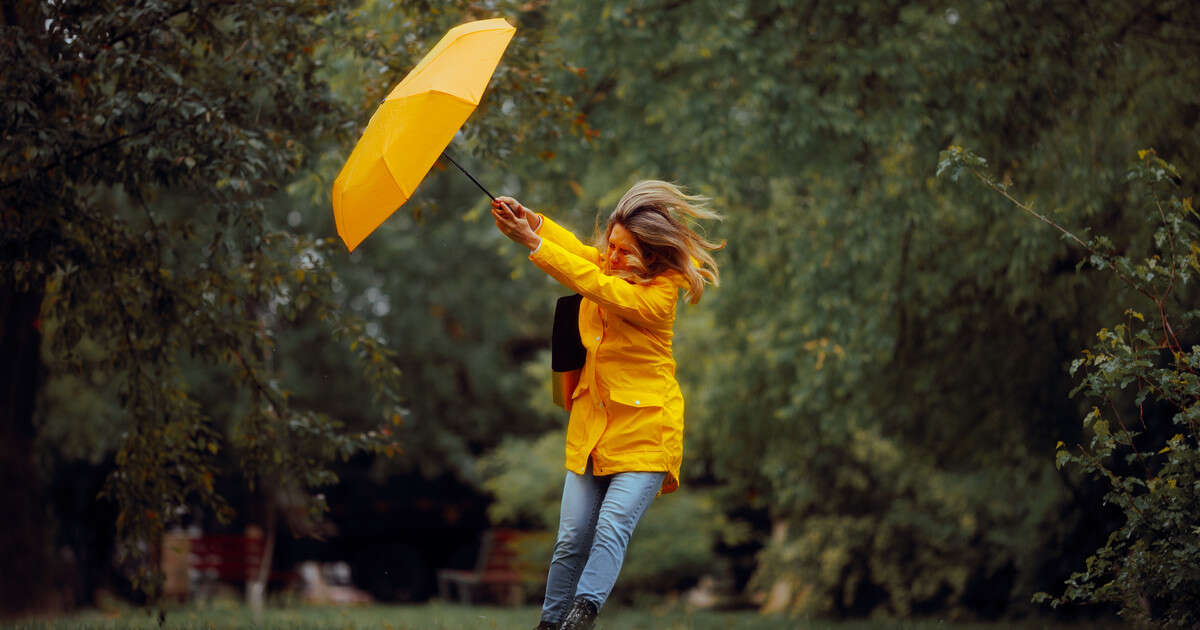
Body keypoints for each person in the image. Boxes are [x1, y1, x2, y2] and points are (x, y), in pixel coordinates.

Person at [490, 180, 723, 630]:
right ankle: (549, 623)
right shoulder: (609, 265)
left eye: (623, 252)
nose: (610, 257)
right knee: (572, 537)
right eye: (610, 246)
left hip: (646, 432)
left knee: (612, 524)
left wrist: (533, 245)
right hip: (593, 427)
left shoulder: (659, 294)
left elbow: (595, 285)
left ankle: (583, 613)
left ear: (651, 255)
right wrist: (532, 221)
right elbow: (578, 253)